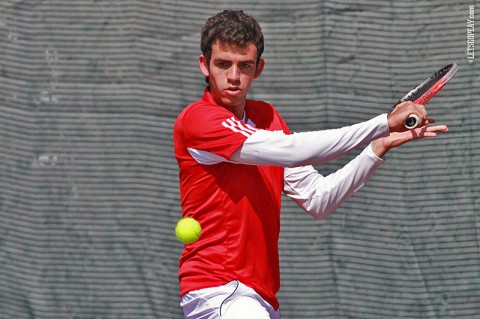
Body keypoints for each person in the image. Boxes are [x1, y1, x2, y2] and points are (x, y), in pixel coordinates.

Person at [173, 10, 448, 319]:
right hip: (219, 289)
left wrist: (377, 147)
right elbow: (292, 151)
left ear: (258, 69)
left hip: (259, 294)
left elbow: (319, 199)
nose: (234, 76)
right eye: (223, 64)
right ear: (204, 66)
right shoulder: (198, 120)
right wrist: (382, 124)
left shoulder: (267, 117)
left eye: (244, 65)